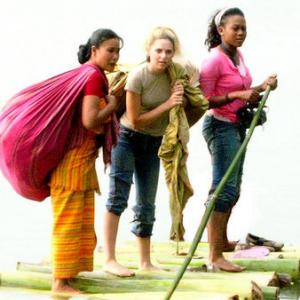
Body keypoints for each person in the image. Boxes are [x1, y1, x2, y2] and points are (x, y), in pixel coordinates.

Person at [102, 26, 185, 277]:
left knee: (147, 202)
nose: (163, 56)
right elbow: (136, 119)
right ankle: (109, 258)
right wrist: (169, 103)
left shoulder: (174, 75)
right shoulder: (138, 76)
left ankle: (145, 261)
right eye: (158, 51)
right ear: (148, 51)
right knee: (118, 197)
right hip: (127, 138)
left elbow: (196, 82)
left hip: (153, 142)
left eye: (168, 52)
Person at [199, 8, 277, 272]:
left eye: (244, 28)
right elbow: (204, 100)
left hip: (236, 126)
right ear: (221, 30)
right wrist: (236, 96)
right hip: (219, 126)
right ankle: (214, 256)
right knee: (222, 189)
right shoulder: (214, 60)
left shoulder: (237, 55)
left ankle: (220, 242)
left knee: (234, 188)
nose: (241, 33)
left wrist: (262, 86)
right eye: (236, 28)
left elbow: (242, 91)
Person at [49, 29, 122, 292]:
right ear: (94, 50)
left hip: (79, 160)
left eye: (118, 51)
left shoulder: (90, 74)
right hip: (73, 162)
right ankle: (59, 283)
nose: (115, 56)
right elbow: (90, 120)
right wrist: (113, 105)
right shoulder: (92, 76)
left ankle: (67, 277)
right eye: (110, 50)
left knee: (79, 221)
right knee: (68, 221)